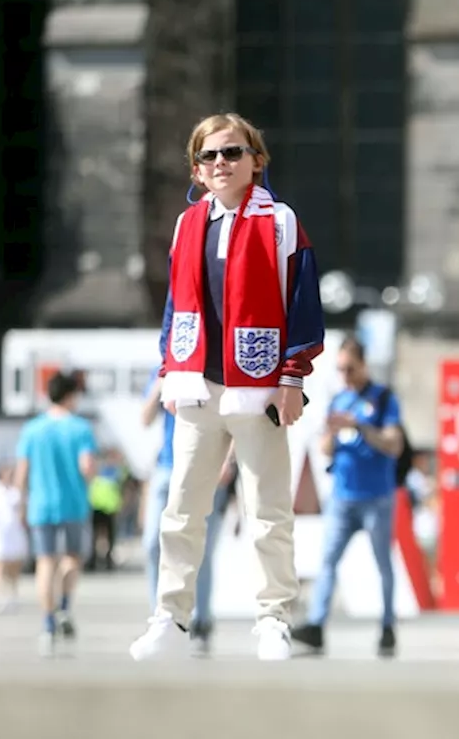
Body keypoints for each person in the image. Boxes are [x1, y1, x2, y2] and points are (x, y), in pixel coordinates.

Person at [129, 113, 325, 662]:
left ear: (256, 160)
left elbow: (302, 300)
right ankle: (170, 616)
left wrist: (292, 377)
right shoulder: (187, 222)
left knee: (268, 511)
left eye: (233, 153)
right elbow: (176, 304)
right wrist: (169, 368)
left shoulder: (279, 221)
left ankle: (273, 617)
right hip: (196, 385)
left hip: (258, 385)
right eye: (211, 156)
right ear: (196, 166)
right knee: (182, 509)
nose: (221, 164)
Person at [291, 337, 404, 658]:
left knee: (383, 562)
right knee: (327, 561)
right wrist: (331, 432)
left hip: (376, 496)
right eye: (340, 369)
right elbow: (326, 449)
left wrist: (361, 426)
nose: (346, 375)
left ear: (363, 365)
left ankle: (387, 624)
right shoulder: (338, 400)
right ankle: (316, 624)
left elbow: (393, 444)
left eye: (350, 368)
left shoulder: (382, 400)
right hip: (343, 495)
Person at [140, 366, 235, 653]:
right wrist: (160, 385)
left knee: (201, 549)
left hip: (206, 466)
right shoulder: (161, 374)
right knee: (152, 544)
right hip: (167, 466)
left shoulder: (214, 368)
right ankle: (163, 613)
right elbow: (144, 419)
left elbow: (231, 419)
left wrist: (228, 461)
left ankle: (201, 618)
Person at [13, 371, 98, 656]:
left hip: (41, 504)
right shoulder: (80, 428)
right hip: (73, 503)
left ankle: (48, 623)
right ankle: (63, 606)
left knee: (44, 563)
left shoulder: (32, 429)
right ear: (71, 395)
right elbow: (87, 467)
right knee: (72, 558)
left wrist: (20, 501)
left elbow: (22, 471)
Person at [0, 459, 28, 614]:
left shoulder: (16, 490)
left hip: (15, 533)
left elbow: (23, 509)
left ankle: (13, 595)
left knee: (14, 566)